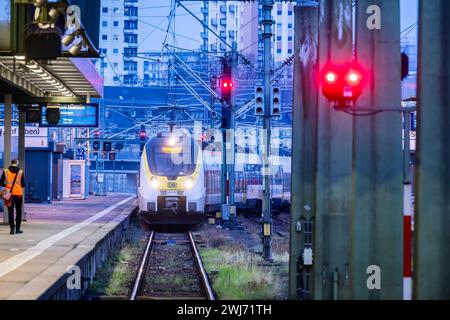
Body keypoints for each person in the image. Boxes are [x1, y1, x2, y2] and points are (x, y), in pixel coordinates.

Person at [1, 160, 26, 235]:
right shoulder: (20, 172)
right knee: (18, 212)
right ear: (17, 163)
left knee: (10, 212)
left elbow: (1, 182)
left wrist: (7, 186)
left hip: (9, 195)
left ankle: (12, 229)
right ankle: (18, 229)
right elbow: (23, 184)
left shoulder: (6, 171)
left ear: (11, 163)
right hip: (18, 194)